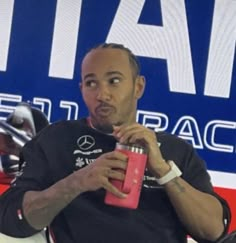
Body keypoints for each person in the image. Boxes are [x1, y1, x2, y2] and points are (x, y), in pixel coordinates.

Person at [0, 43, 231, 243]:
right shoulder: (56, 140)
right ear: (81, 90)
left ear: (138, 87)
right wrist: (77, 182)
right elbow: (10, 216)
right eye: (91, 83)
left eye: (114, 81)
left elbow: (214, 231)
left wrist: (164, 172)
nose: (102, 94)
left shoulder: (175, 150)